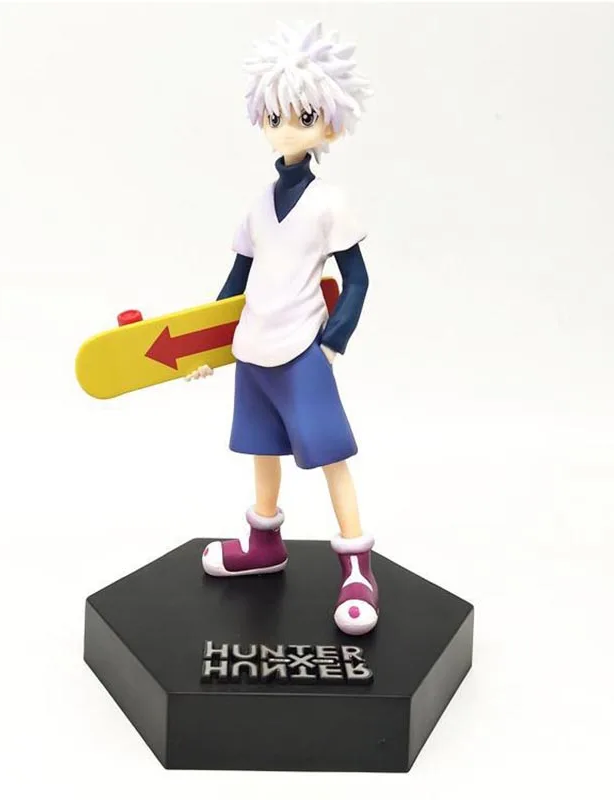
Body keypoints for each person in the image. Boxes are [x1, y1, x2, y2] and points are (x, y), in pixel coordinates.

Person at [189, 21, 378, 635]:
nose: (286, 127)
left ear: (330, 124)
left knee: (330, 456)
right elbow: (234, 283)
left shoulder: (329, 203)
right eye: (275, 116)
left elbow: (357, 279)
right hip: (252, 351)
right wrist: (206, 347)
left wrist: (332, 343)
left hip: (303, 351)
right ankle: (264, 543)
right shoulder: (257, 205)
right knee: (262, 448)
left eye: (302, 115)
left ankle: (357, 566)